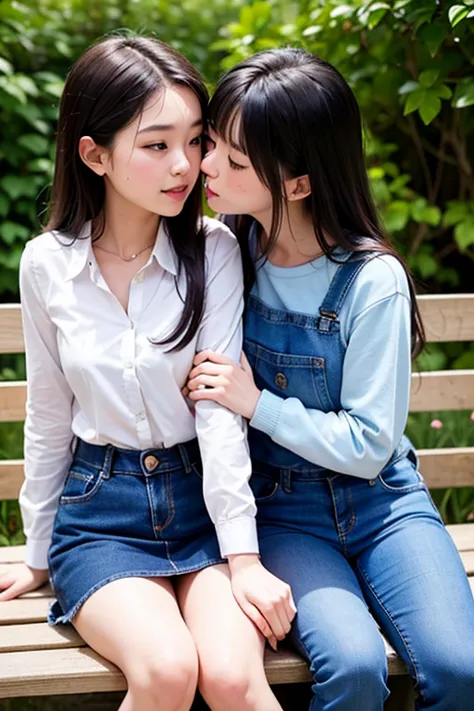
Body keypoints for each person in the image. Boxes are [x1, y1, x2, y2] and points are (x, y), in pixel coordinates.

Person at [0, 36, 296, 711]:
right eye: (157, 144)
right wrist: (36, 553)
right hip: (101, 515)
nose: (186, 164)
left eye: (195, 140)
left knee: (229, 675)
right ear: (94, 153)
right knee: (167, 670)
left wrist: (243, 557)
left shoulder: (213, 248)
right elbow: (48, 413)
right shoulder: (47, 265)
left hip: (200, 507)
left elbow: (219, 412)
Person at [186, 48, 474, 710]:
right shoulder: (232, 254)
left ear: (298, 182)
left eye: (232, 160)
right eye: (214, 147)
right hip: (285, 511)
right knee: (350, 666)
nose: (206, 166)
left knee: (460, 670)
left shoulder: (371, 282)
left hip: (384, 507)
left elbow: (371, 444)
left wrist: (257, 402)